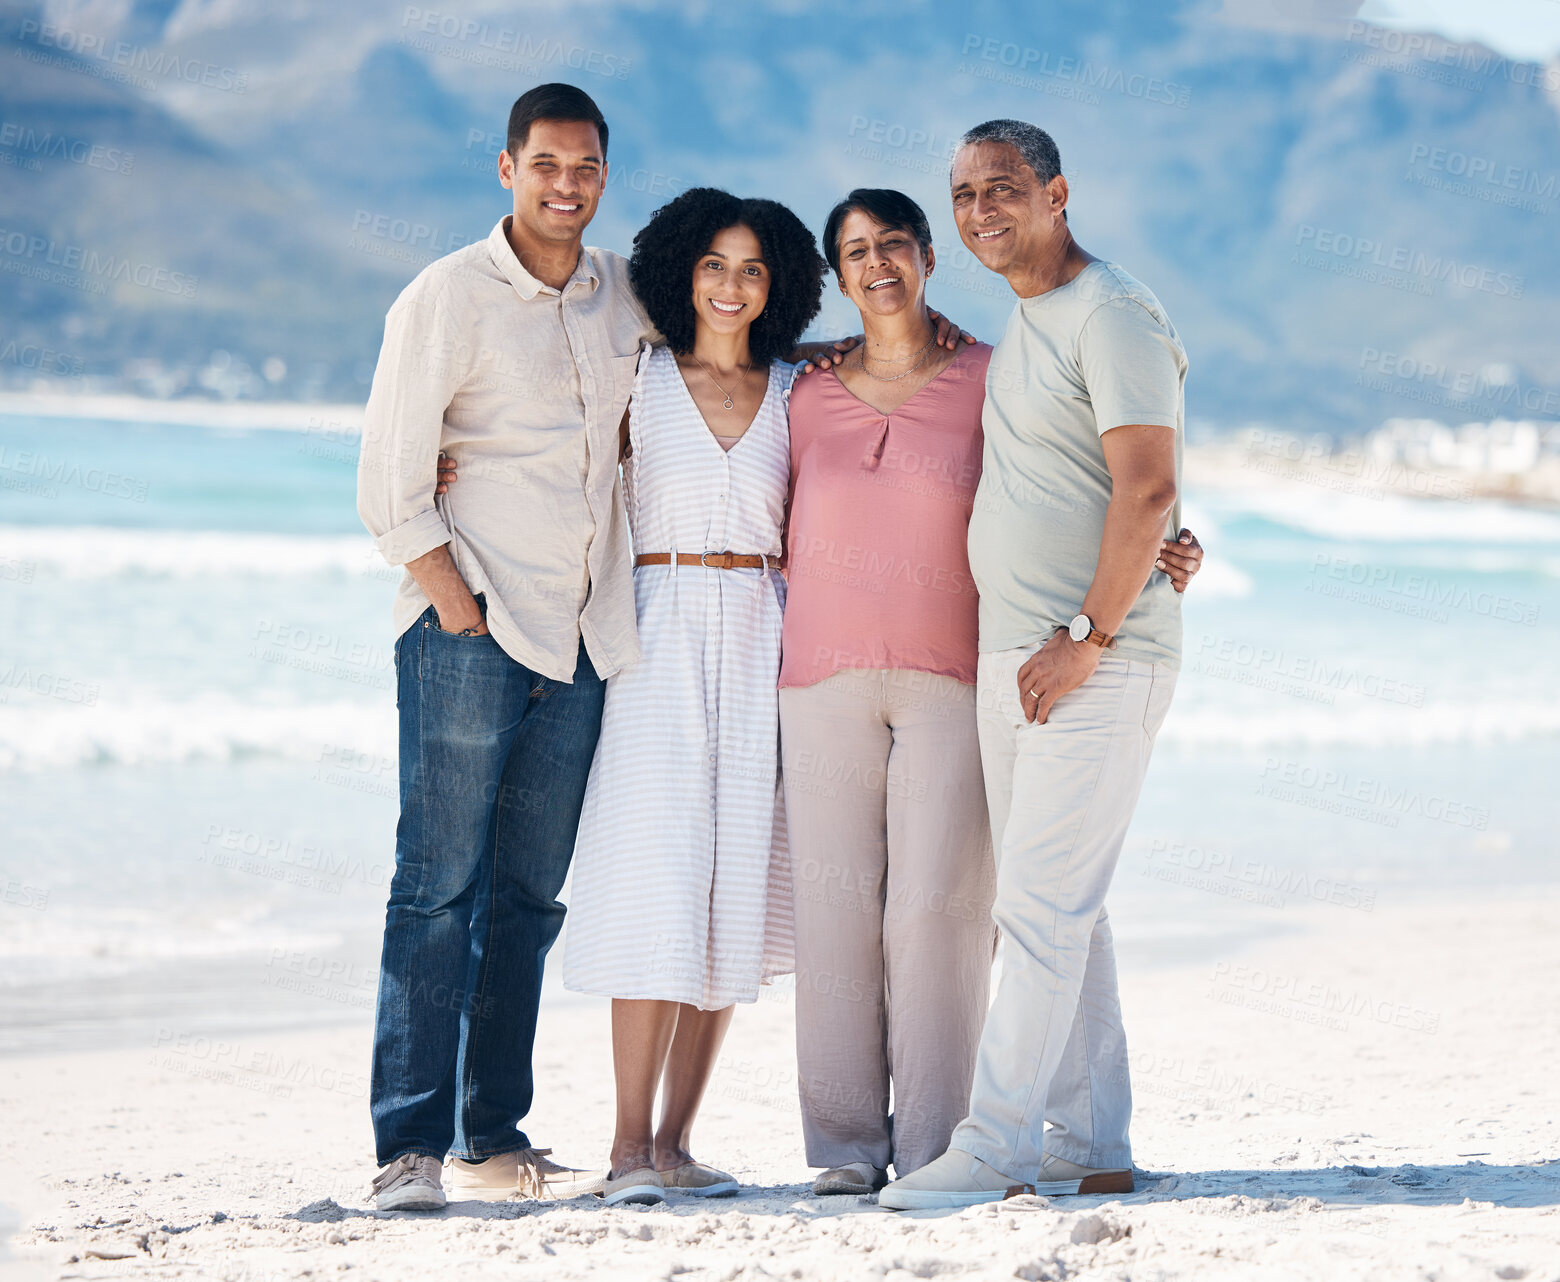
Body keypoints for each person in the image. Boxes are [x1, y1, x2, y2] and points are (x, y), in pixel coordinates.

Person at [783, 190, 1203, 1198]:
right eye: (854, 252)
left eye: (894, 243)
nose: (876, 263)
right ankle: (1044, 1141)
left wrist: (1161, 550)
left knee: (963, 913)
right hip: (831, 671)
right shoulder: (802, 385)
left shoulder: (996, 362)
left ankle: (954, 1141)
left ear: (929, 257)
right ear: (836, 275)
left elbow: (1124, 467)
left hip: (978, 667)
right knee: (854, 915)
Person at [356, 82, 654, 1212]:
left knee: (528, 897)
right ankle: (410, 1149)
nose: (565, 185)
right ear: (506, 169)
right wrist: (454, 603)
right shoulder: (445, 295)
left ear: (603, 177)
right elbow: (391, 476)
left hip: (582, 639)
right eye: (545, 165)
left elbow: (732, 344)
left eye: (584, 168)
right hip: (471, 631)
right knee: (438, 887)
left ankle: (494, 1133)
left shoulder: (627, 295)